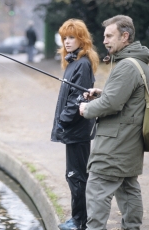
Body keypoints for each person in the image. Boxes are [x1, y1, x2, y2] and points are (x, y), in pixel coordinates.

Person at [79, 15, 149, 230]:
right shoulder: (139, 63)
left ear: (125, 36)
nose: (105, 41)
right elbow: (126, 99)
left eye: (110, 36)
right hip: (129, 142)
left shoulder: (127, 66)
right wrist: (102, 93)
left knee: (97, 188)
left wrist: (86, 109)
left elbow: (112, 104)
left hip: (114, 145)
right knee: (128, 189)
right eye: (104, 36)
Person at [51, 19, 99, 230]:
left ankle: (80, 221)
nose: (67, 42)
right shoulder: (73, 62)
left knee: (77, 176)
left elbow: (77, 100)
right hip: (72, 130)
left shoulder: (82, 64)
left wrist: (62, 122)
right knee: (75, 175)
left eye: (71, 37)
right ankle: (79, 219)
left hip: (77, 131)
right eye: (65, 38)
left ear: (82, 39)